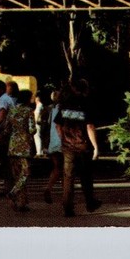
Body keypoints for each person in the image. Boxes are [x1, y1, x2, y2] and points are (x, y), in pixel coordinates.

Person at [54, 79, 102, 217]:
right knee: (86, 175)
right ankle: (90, 202)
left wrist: (63, 137)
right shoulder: (86, 104)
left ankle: (68, 207)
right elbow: (90, 127)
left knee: (68, 177)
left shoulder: (65, 105)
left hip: (68, 146)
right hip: (82, 146)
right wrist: (96, 147)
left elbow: (58, 124)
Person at [7, 90, 36, 212]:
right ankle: (14, 193)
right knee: (25, 172)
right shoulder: (29, 111)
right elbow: (32, 129)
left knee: (16, 174)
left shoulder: (12, 110)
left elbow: (7, 128)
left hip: (12, 144)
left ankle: (22, 202)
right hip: (24, 145)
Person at [0, 80, 17, 195]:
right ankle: (8, 187)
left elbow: (2, 115)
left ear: (1, 89)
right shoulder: (8, 99)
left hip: (3, 132)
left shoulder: (3, 100)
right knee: (7, 161)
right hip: (9, 132)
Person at [43, 89, 63, 204]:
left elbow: (45, 126)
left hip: (52, 141)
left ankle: (48, 188)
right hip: (62, 141)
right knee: (67, 169)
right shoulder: (63, 109)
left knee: (56, 167)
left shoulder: (49, 109)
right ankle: (66, 195)